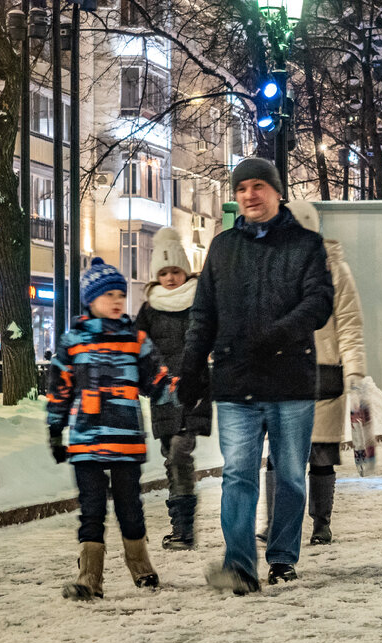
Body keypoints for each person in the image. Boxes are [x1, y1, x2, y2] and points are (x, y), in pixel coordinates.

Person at [179, 158, 334, 594]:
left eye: (259, 186)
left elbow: (319, 304)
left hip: (290, 381)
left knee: (288, 475)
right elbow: (203, 313)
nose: (250, 194)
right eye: (242, 187)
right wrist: (191, 367)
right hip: (236, 379)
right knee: (238, 475)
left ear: (277, 192)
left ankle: (283, 557)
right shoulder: (223, 247)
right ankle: (240, 566)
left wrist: (277, 334)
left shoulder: (306, 245)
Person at [46, 258, 175, 600]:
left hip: (126, 440)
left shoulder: (136, 340)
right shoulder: (74, 341)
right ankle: (90, 578)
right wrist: (54, 429)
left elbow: (156, 380)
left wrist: (177, 394)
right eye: (109, 295)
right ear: (91, 300)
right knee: (92, 510)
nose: (118, 300)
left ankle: (141, 568)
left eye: (121, 294)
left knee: (129, 507)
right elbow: (60, 388)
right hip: (86, 441)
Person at [261, 199, 366, 547]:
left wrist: (354, 371)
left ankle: (321, 523)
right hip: (283, 372)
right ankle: (275, 522)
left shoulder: (336, 271)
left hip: (324, 373)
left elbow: (349, 325)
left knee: (320, 454)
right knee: (279, 456)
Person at [135, 228, 211, 550]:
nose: (169, 278)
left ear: (185, 271)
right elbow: (135, 349)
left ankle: (183, 529)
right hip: (163, 395)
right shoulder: (149, 309)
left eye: (175, 271)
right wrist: (148, 381)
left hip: (193, 391)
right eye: (163, 273)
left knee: (180, 451)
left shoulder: (200, 301)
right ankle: (182, 525)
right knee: (172, 457)